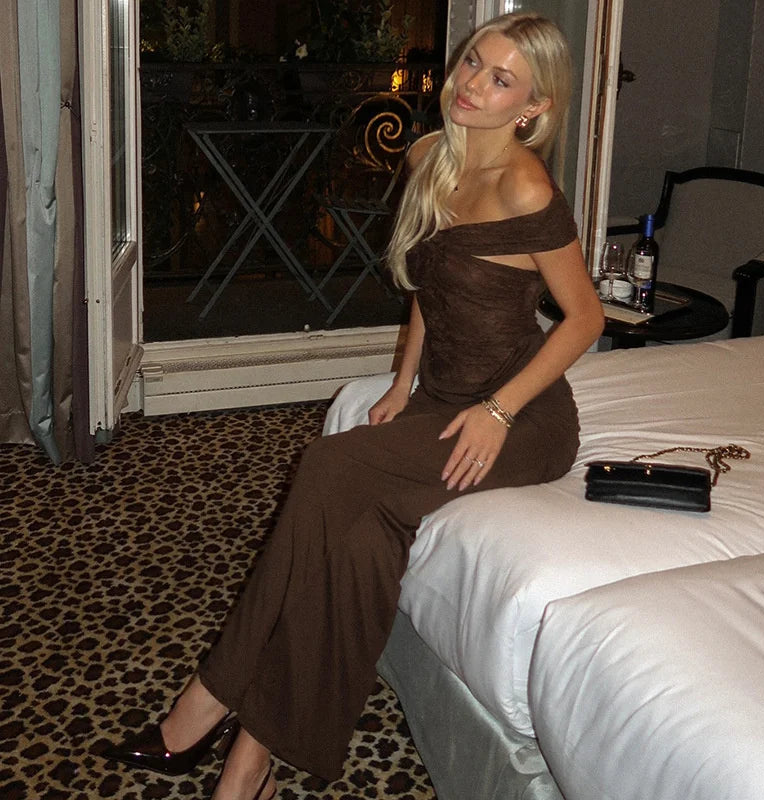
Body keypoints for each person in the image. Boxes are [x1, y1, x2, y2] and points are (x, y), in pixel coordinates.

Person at [102, 11, 605, 800]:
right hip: (440, 398)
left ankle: (211, 700)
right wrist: (401, 385)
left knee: (327, 464)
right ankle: (255, 758)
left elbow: (586, 318)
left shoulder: (525, 184)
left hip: (523, 423)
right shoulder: (433, 157)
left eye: (500, 78)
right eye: (474, 61)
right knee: (363, 542)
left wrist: (501, 410)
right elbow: (431, 290)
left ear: (532, 109)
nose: (472, 83)